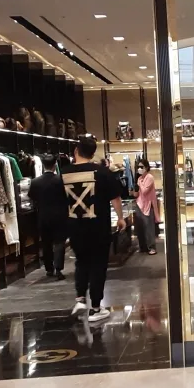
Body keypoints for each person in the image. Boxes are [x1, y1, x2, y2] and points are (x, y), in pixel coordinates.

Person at [61, 136, 126, 322]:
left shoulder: (64, 173)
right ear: (93, 152)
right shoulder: (102, 172)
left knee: (81, 262)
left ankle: (80, 299)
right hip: (98, 227)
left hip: (75, 226)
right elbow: (115, 197)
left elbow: (61, 200)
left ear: (76, 150)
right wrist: (120, 218)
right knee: (98, 265)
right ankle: (96, 308)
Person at [28, 153, 68, 281]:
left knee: (46, 243)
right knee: (59, 243)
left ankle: (49, 269)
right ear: (55, 165)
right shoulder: (61, 180)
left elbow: (32, 198)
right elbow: (67, 197)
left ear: (43, 165)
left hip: (43, 216)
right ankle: (58, 269)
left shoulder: (35, 182)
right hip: (60, 215)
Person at [133, 158, 160, 255]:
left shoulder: (149, 177)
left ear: (147, 167)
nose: (139, 169)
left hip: (148, 205)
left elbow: (144, 191)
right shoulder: (139, 178)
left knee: (149, 227)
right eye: (138, 167)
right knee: (140, 227)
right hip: (139, 204)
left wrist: (139, 183)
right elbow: (137, 193)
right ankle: (142, 247)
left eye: (141, 167)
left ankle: (152, 247)